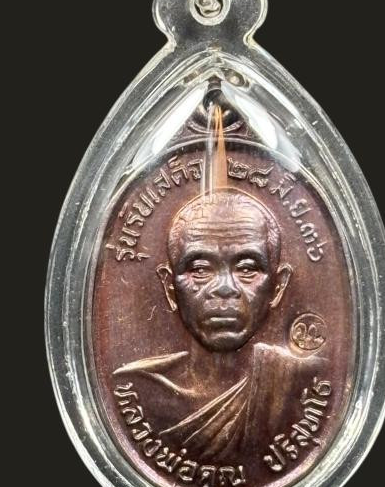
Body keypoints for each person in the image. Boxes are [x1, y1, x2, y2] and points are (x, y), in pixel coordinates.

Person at [114, 188, 315, 462]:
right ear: (170, 288)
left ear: (278, 287)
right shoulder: (138, 386)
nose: (224, 288)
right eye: (200, 269)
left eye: (246, 268)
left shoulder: (300, 384)